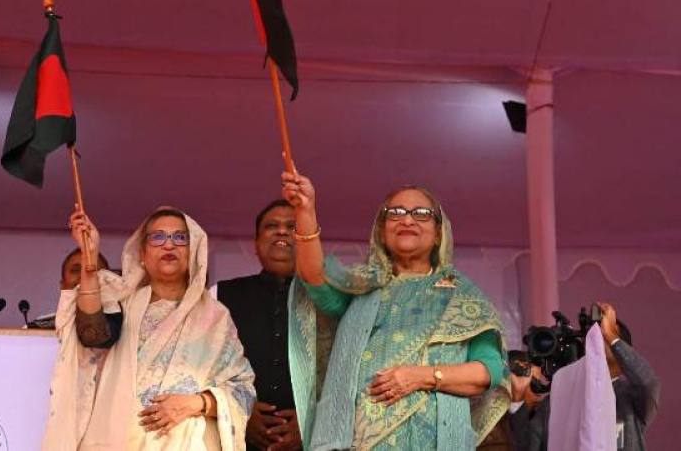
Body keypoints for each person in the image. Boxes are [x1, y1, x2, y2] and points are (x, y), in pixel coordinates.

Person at [281, 171, 510, 450]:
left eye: (421, 213)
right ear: (381, 230)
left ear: (439, 232)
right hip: (356, 442)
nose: (407, 219)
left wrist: (421, 376)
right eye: (396, 212)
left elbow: (489, 371)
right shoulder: (361, 286)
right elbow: (314, 277)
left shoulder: (461, 296)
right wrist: (305, 209)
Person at [41, 207, 256, 451]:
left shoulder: (215, 317)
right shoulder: (121, 304)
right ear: (142, 253)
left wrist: (198, 403)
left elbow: (243, 390)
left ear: (194, 251)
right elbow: (93, 335)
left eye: (180, 237)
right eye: (158, 237)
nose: (169, 245)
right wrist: (90, 260)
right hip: (117, 441)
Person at [508, 302, 660, 451]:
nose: (597, 339)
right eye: (594, 335)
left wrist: (611, 336)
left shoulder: (630, 398)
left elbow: (648, 382)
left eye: (604, 335)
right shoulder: (558, 399)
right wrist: (517, 400)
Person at [218, 199, 302, 451]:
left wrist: (314, 421)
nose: (282, 231)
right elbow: (203, 368)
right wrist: (238, 412)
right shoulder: (220, 295)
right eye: (271, 226)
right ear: (256, 243)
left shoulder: (331, 300)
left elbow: (345, 374)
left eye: (292, 226)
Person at [29, 248, 111, 329]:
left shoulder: (122, 329)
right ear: (63, 286)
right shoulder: (36, 329)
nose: (84, 277)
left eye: (92, 270)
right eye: (76, 270)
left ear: (109, 283)